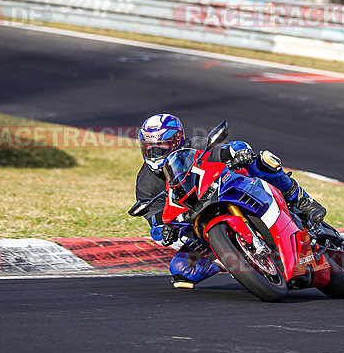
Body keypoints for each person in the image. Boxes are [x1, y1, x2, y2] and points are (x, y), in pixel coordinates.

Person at [135, 113, 326, 289]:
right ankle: (237, 263)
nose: (154, 152)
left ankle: (302, 200)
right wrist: (164, 231)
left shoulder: (195, 146)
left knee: (261, 160)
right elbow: (156, 220)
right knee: (180, 270)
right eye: (149, 147)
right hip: (198, 226)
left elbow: (225, 150)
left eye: (161, 146)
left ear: (177, 141)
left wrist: (237, 151)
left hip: (223, 193)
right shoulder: (145, 182)